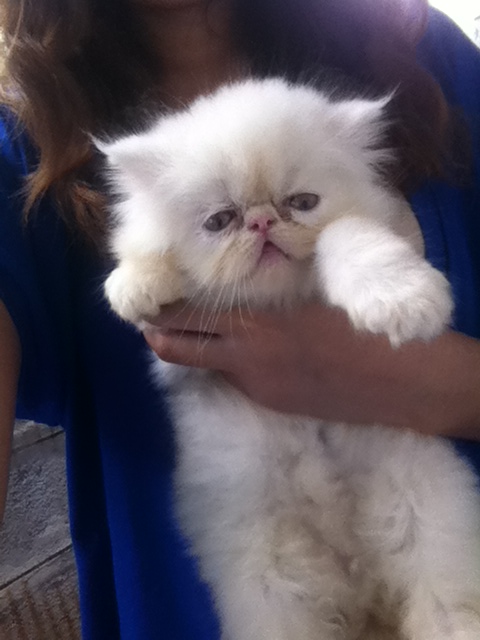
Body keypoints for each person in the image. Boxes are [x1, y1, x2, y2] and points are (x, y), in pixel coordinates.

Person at [0, 0, 479, 638]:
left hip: (416, 513)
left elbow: (353, 231)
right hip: (257, 558)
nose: (263, 228)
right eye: (224, 220)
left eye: (298, 203)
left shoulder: (421, 49)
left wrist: (443, 383)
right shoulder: (23, 142)